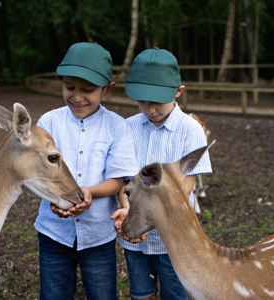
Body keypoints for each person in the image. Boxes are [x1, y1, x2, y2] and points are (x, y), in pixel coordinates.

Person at [34, 42, 138, 300]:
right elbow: (37, 173)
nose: (77, 97)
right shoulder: (48, 122)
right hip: (53, 233)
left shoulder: (117, 126)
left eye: (88, 90)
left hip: (97, 236)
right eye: (69, 87)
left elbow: (117, 179)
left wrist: (86, 192)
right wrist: (56, 199)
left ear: (108, 89)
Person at [111, 48, 213, 300]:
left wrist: (151, 217)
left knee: (174, 293)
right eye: (143, 101)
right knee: (141, 293)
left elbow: (184, 187)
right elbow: (125, 180)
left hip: (173, 238)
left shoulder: (191, 130)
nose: (150, 108)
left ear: (178, 91)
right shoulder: (128, 127)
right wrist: (128, 209)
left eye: (157, 100)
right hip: (133, 232)